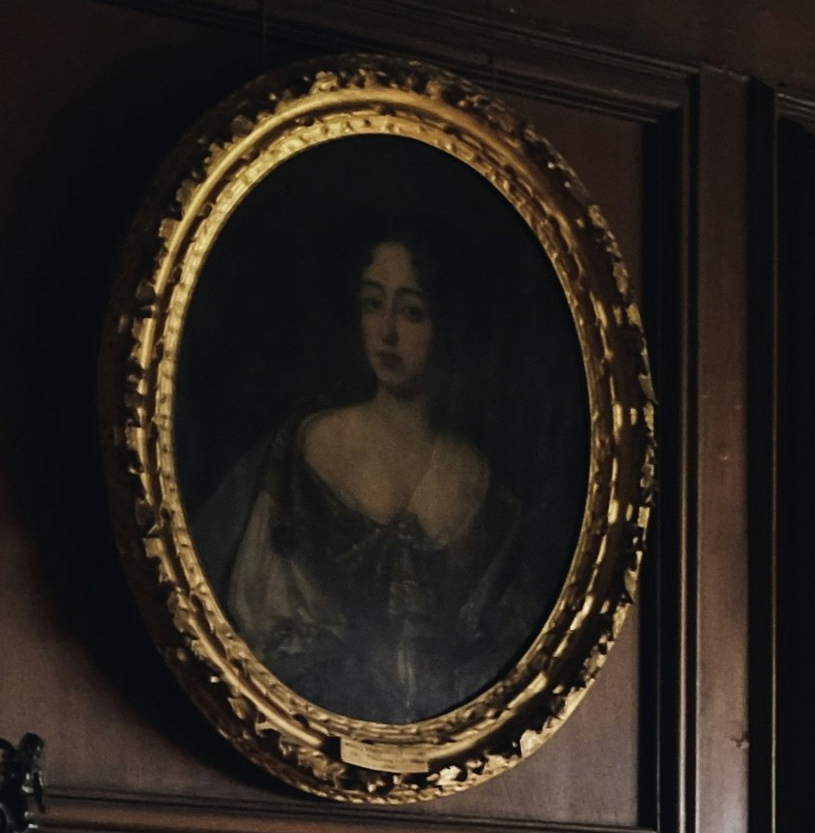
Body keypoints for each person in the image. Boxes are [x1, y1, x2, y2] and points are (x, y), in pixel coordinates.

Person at [191, 218, 552, 723]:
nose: (386, 332)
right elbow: (257, 618)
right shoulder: (307, 446)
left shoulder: (486, 490)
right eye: (372, 304)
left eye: (412, 312)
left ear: (447, 324)